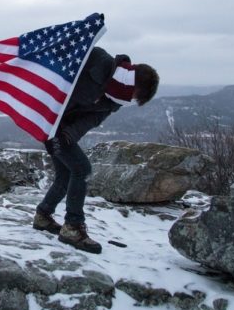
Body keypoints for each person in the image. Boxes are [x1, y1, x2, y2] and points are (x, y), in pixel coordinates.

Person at [32, 46, 159, 254]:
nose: (131, 100)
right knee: (82, 169)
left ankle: (43, 216)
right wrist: (51, 129)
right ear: (133, 82)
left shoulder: (115, 100)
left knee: (66, 173)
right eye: (135, 95)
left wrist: (66, 137)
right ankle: (72, 227)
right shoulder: (98, 61)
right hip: (49, 118)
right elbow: (62, 68)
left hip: (61, 130)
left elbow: (90, 120)